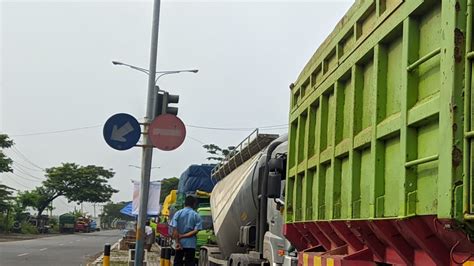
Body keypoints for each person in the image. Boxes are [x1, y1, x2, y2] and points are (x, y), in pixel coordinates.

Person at [170, 195, 203, 266]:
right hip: (191, 244)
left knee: (177, 262)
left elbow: (174, 229)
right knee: (190, 262)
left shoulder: (178, 213)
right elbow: (196, 230)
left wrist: (177, 242)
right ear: (194, 204)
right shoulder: (196, 215)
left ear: (184, 203)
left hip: (180, 243)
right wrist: (183, 236)